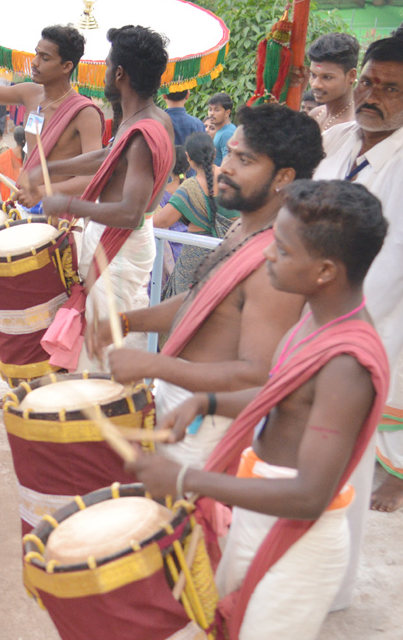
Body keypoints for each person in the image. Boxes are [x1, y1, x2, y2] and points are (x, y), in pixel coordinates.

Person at [130, 181, 389, 640]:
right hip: (260, 509)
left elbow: (310, 493)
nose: (268, 255)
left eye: (283, 250)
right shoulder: (315, 317)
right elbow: (282, 395)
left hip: (297, 541)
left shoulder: (347, 365)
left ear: (326, 270)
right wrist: (206, 402)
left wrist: (186, 480)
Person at [91, 106, 324, 470]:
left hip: (210, 423)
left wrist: (154, 364)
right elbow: (204, 300)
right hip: (183, 403)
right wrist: (125, 322)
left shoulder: (277, 262)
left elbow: (255, 375)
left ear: (284, 176)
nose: (226, 166)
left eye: (244, 159)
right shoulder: (244, 229)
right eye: (229, 153)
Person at [29, 26, 175, 369]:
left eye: (108, 65)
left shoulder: (143, 133)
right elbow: (107, 157)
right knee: (93, 344)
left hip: (120, 242)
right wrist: (47, 169)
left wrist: (66, 204)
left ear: (119, 73)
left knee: (99, 353)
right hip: (114, 240)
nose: (106, 72)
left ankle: (105, 412)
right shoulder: (149, 118)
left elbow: (130, 212)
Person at [312, 33, 403, 522]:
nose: (372, 96)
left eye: (391, 89)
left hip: (365, 320)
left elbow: (394, 263)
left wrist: (336, 321)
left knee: (347, 457)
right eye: (368, 83)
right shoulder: (336, 138)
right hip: (312, 304)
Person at [0, 25, 105, 203]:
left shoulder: (85, 114)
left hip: (61, 213)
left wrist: (43, 192)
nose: (35, 62)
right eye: (36, 54)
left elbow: (93, 177)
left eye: (45, 58)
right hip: (26, 203)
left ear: (66, 66)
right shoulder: (30, 94)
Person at [152, 132, 238, 296]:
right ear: (214, 152)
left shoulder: (189, 187)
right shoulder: (233, 179)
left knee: (186, 306)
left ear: (188, 158)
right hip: (231, 255)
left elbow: (161, 221)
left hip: (196, 260)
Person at [306, 32, 359, 132]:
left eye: (327, 77)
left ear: (351, 76)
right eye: (313, 75)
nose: (315, 84)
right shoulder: (315, 115)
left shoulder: (355, 126)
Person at [208, 92, 236, 164]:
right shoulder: (221, 131)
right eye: (210, 109)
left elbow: (229, 165)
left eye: (216, 110)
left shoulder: (227, 134)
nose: (211, 113)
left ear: (227, 113)